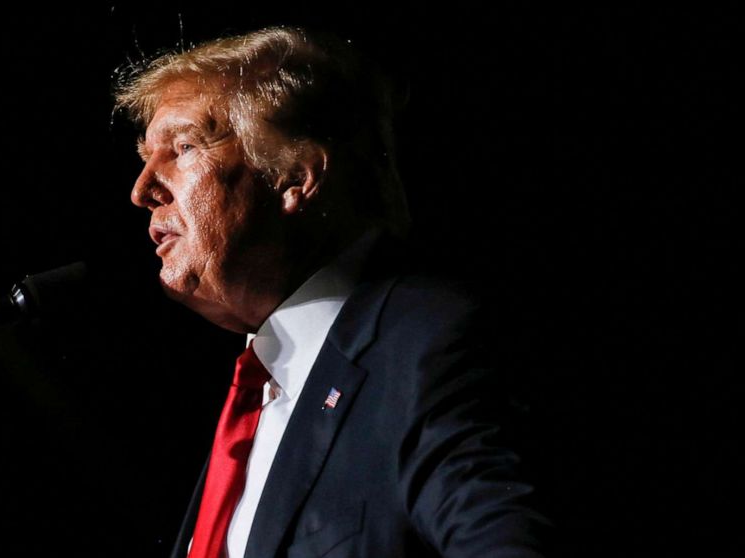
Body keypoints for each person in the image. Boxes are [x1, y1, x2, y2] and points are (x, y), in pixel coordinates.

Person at [116, 26, 552, 558]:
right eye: (144, 157)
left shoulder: (425, 346)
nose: (142, 190)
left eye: (183, 147)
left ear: (294, 178)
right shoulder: (260, 397)